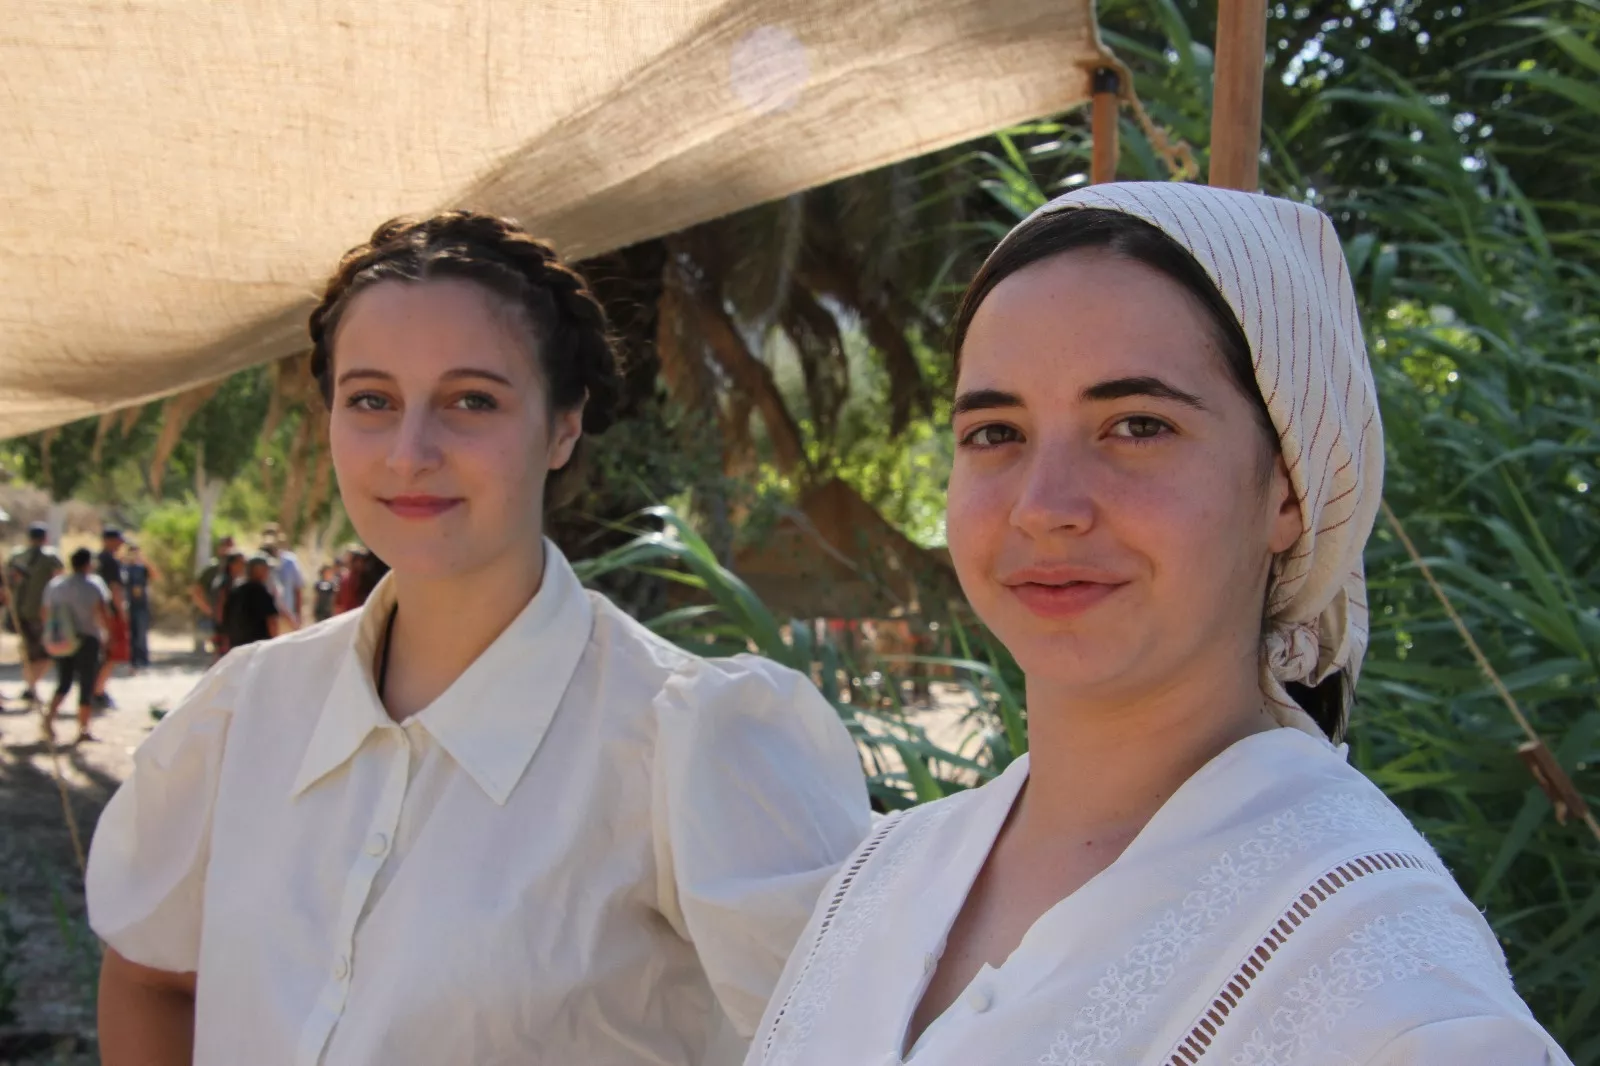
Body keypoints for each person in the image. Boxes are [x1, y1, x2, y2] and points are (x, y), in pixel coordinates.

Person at [746, 183, 1573, 1066]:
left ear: (1290, 489)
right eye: (995, 432)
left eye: (1137, 426)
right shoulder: (886, 873)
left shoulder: (1385, 982)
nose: (1044, 506)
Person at [87, 210, 872, 1066]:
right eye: (371, 401)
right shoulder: (245, 711)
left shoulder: (684, 744)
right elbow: (153, 977)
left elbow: (859, 1035)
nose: (410, 451)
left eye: (472, 400)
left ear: (563, 426)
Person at [43, 547, 112, 744]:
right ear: (88, 563)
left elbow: (45, 613)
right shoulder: (94, 584)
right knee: (87, 684)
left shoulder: (56, 585)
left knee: (63, 682)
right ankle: (83, 729)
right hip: (87, 639)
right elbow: (102, 612)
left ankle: (48, 718)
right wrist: (108, 637)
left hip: (62, 640)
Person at [4, 523, 62, 704]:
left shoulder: (16, 555)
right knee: (47, 654)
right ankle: (30, 688)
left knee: (30, 653)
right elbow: (58, 581)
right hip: (39, 613)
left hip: (17, 611)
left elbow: (7, 581)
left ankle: (30, 688)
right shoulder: (51, 557)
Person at [94, 527, 130, 708]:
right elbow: (115, 589)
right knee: (111, 654)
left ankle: (96, 689)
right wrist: (122, 614)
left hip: (95, 613)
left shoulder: (96, 560)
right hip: (110, 613)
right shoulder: (111, 562)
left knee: (102, 653)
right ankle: (98, 691)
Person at [220, 555, 286, 648]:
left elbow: (226, 618)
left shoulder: (235, 591)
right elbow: (271, 621)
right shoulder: (261, 592)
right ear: (257, 570)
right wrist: (275, 644)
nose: (268, 572)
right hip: (258, 648)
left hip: (237, 648)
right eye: (265, 569)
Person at [190, 534, 234, 653]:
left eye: (230, 546)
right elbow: (196, 592)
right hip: (208, 616)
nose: (228, 550)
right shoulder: (211, 569)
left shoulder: (235, 568)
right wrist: (208, 609)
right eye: (225, 546)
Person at [123, 542, 159, 669]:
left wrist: (145, 561)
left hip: (141, 603)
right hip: (128, 603)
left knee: (141, 631)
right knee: (130, 633)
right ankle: (132, 659)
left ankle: (143, 658)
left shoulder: (142, 567)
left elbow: (155, 576)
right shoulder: (125, 568)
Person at [260, 524, 304, 623]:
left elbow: (297, 589)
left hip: (286, 617)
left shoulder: (290, 561)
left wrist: (298, 616)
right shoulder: (258, 562)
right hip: (265, 618)